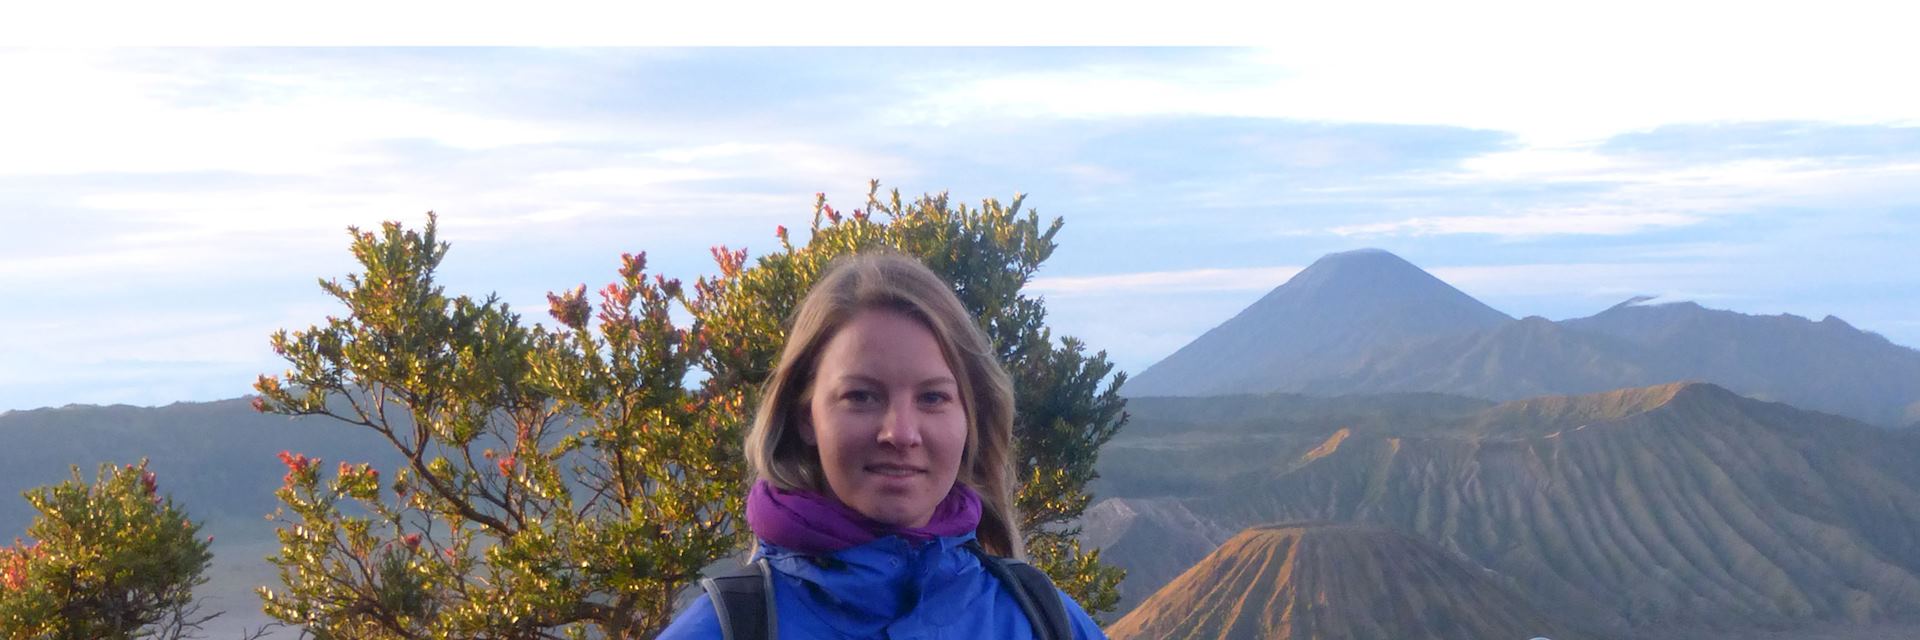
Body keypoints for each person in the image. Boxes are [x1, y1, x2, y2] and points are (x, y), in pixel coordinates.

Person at [659, 252, 1107, 639]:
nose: (900, 433)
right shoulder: (726, 630)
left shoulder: (1043, 622)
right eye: (861, 396)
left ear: (969, 419)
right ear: (805, 418)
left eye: (933, 398)